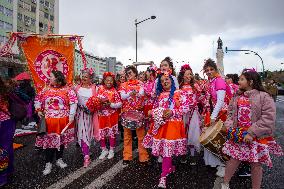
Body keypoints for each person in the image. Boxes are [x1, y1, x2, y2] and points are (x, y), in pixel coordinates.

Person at [221, 69, 283, 189]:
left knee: (256, 164)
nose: (238, 81)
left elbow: (268, 119)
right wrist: (229, 127)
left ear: (251, 81)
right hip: (238, 135)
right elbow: (230, 113)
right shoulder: (237, 95)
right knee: (234, 160)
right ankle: (225, 183)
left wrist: (251, 133)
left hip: (256, 137)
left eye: (242, 79)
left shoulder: (264, 96)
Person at [142, 71, 187, 188]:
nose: (164, 82)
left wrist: (173, 111)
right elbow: (157, 108)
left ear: (172, 80)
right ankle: (170, 167)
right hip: (162, 126)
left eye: (166, 80)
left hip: (173, 126)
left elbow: (185, 108)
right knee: (165, 150)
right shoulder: (160, 95)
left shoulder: (179, 93)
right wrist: (152, 112)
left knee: (167, 151)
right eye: (162, 81)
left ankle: (163, 177)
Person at [34, 70, 78, 175]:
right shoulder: (45, 89)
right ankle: (48, 163)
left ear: (58, 78)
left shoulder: (68, 90)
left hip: (63, 121)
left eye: (51, 77)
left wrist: (71, 115)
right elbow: (37, 100)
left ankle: (59, 159)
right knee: (49, 143)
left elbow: (73, 103)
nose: (49, 78)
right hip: (49, 121)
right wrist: (38, 110)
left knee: (61, 141)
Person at [202, 58, 232, 177]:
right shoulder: (212, 81)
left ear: (216, 70)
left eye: (211, 69)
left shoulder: (219, 81)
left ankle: (224, 165)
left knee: (221, 140)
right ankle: (216, 163)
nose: (209, 72)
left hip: (222, 113)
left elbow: (220, 101)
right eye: (207, 70)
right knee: (215, 139)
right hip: (216, 112)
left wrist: (213, 116)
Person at [119, 65, 149, 165]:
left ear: (135, 73)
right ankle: (127, 156)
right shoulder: (123, 85)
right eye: (127, 73)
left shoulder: (141, 84)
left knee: (141, 136)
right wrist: (130, 94)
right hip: (127, 113)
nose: (128, 75)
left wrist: (135, 92)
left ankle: (143, 157)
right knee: (127, 136)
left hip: (138, 113)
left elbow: (141, 94)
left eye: (130, 73)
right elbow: (122, 97)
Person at [178, 64, 202, 165]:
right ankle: (183, 153)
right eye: (187, 74)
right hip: (182, 114)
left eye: (190, 74)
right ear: (183, 75)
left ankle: (192, 155)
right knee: (182, 133)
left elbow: (201, 97)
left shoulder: (195, 86)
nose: (190, 76)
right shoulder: (179, 86)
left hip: (193, 113)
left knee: (192, 133)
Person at [95, 72, 122, 159]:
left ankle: (111, 150)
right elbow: (95, 99)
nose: (109, 82)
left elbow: (120, 104)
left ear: (113, 81)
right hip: (101, 115)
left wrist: (111, 104)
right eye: (107, 80)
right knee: (102, 133)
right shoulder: (99, 88)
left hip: (111, 116)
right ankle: (104, 150)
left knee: (111, 134)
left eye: (111, 80)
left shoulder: (114, 91)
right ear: (104, 80)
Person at [74, 69, 97, 168]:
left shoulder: (95, 88)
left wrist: (92, 107)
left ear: (90, 78)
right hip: (80, 116)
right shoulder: (76, 88)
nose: (83, 78)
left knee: (88, 134)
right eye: (82, 76)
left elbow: (97, 101)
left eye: (86, 77)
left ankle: (86, 149)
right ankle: (86, 157)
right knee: (82, 134)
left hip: (91, 116)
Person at [0, 77, 16, 187]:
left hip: (3, 122)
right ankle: (9, 170)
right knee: (7, 147)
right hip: (8, 121)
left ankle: (2, 177)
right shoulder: (5, 89)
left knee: (3, 150)